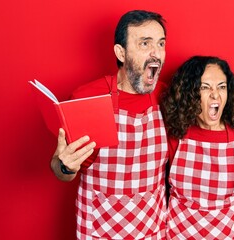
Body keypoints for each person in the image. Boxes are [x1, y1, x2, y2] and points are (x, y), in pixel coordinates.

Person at [50, 10, 169, 239]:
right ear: (121, 52)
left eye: (161, 43)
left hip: (152, 231)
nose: (156, 54)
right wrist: (65, 165)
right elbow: (61, 170)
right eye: (145, 44)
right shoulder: (88, 97)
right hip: (100, 231)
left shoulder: (168, 97)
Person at [161, 56, 234, 239]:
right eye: (205, 87)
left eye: (222, 87)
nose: (215, 94)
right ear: (189, 93)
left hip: (229, 234)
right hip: (178, 234)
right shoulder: (174, 135)